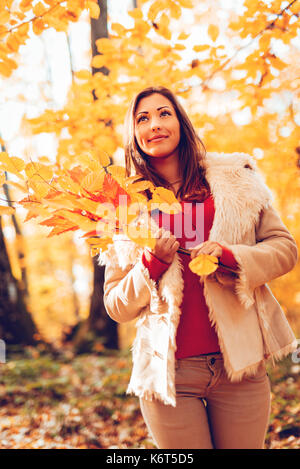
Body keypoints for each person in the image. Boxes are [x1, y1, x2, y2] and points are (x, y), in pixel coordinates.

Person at [98, 86, 298, 449]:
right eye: (142, 118)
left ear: (180, 122)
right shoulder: (123, 206)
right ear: (134, 133)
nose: (154, 124)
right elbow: (116, 305)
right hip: (168, 374)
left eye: (164, 113)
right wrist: (150, 264)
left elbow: (285, 249)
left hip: (240, 365)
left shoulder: (235, 177)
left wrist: (232, 257)